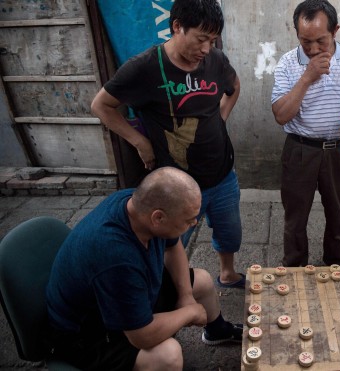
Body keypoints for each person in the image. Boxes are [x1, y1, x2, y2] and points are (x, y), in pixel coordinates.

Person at [91, 0, 245, 289]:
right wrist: (139, 141)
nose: (206, 48)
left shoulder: (215, 60)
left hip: (222, 172)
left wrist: (221, 117)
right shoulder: (145, 68)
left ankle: (227, 273)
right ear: (177, 27)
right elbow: (101, 106)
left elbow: (234, 87)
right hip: (177, 182)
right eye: (201, 39)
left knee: (230, 232)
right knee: (170, 243)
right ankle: (168, 289)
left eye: (212, 40)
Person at [45, 167, 243, 371]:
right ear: (158, 218)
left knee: (201, 280)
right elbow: (141, 336)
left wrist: (185, 295)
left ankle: (217, 331)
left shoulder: (136, 204)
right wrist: (190, 313)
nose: (195, 222)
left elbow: (173, 245)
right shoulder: (116, 257)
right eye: (188, 220)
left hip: (122, 295)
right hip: (87, 336)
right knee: (168, 355)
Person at [271, 0, 340, 267]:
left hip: (339, 150)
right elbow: (281, 115)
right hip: (300, 149)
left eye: (321, 41)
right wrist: (307, 77)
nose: (313, 49)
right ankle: (294, 266)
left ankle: (335, 264)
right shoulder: (287, 63)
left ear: (335, 30)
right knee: (295, 217)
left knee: (338, 213)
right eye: (305, 41)